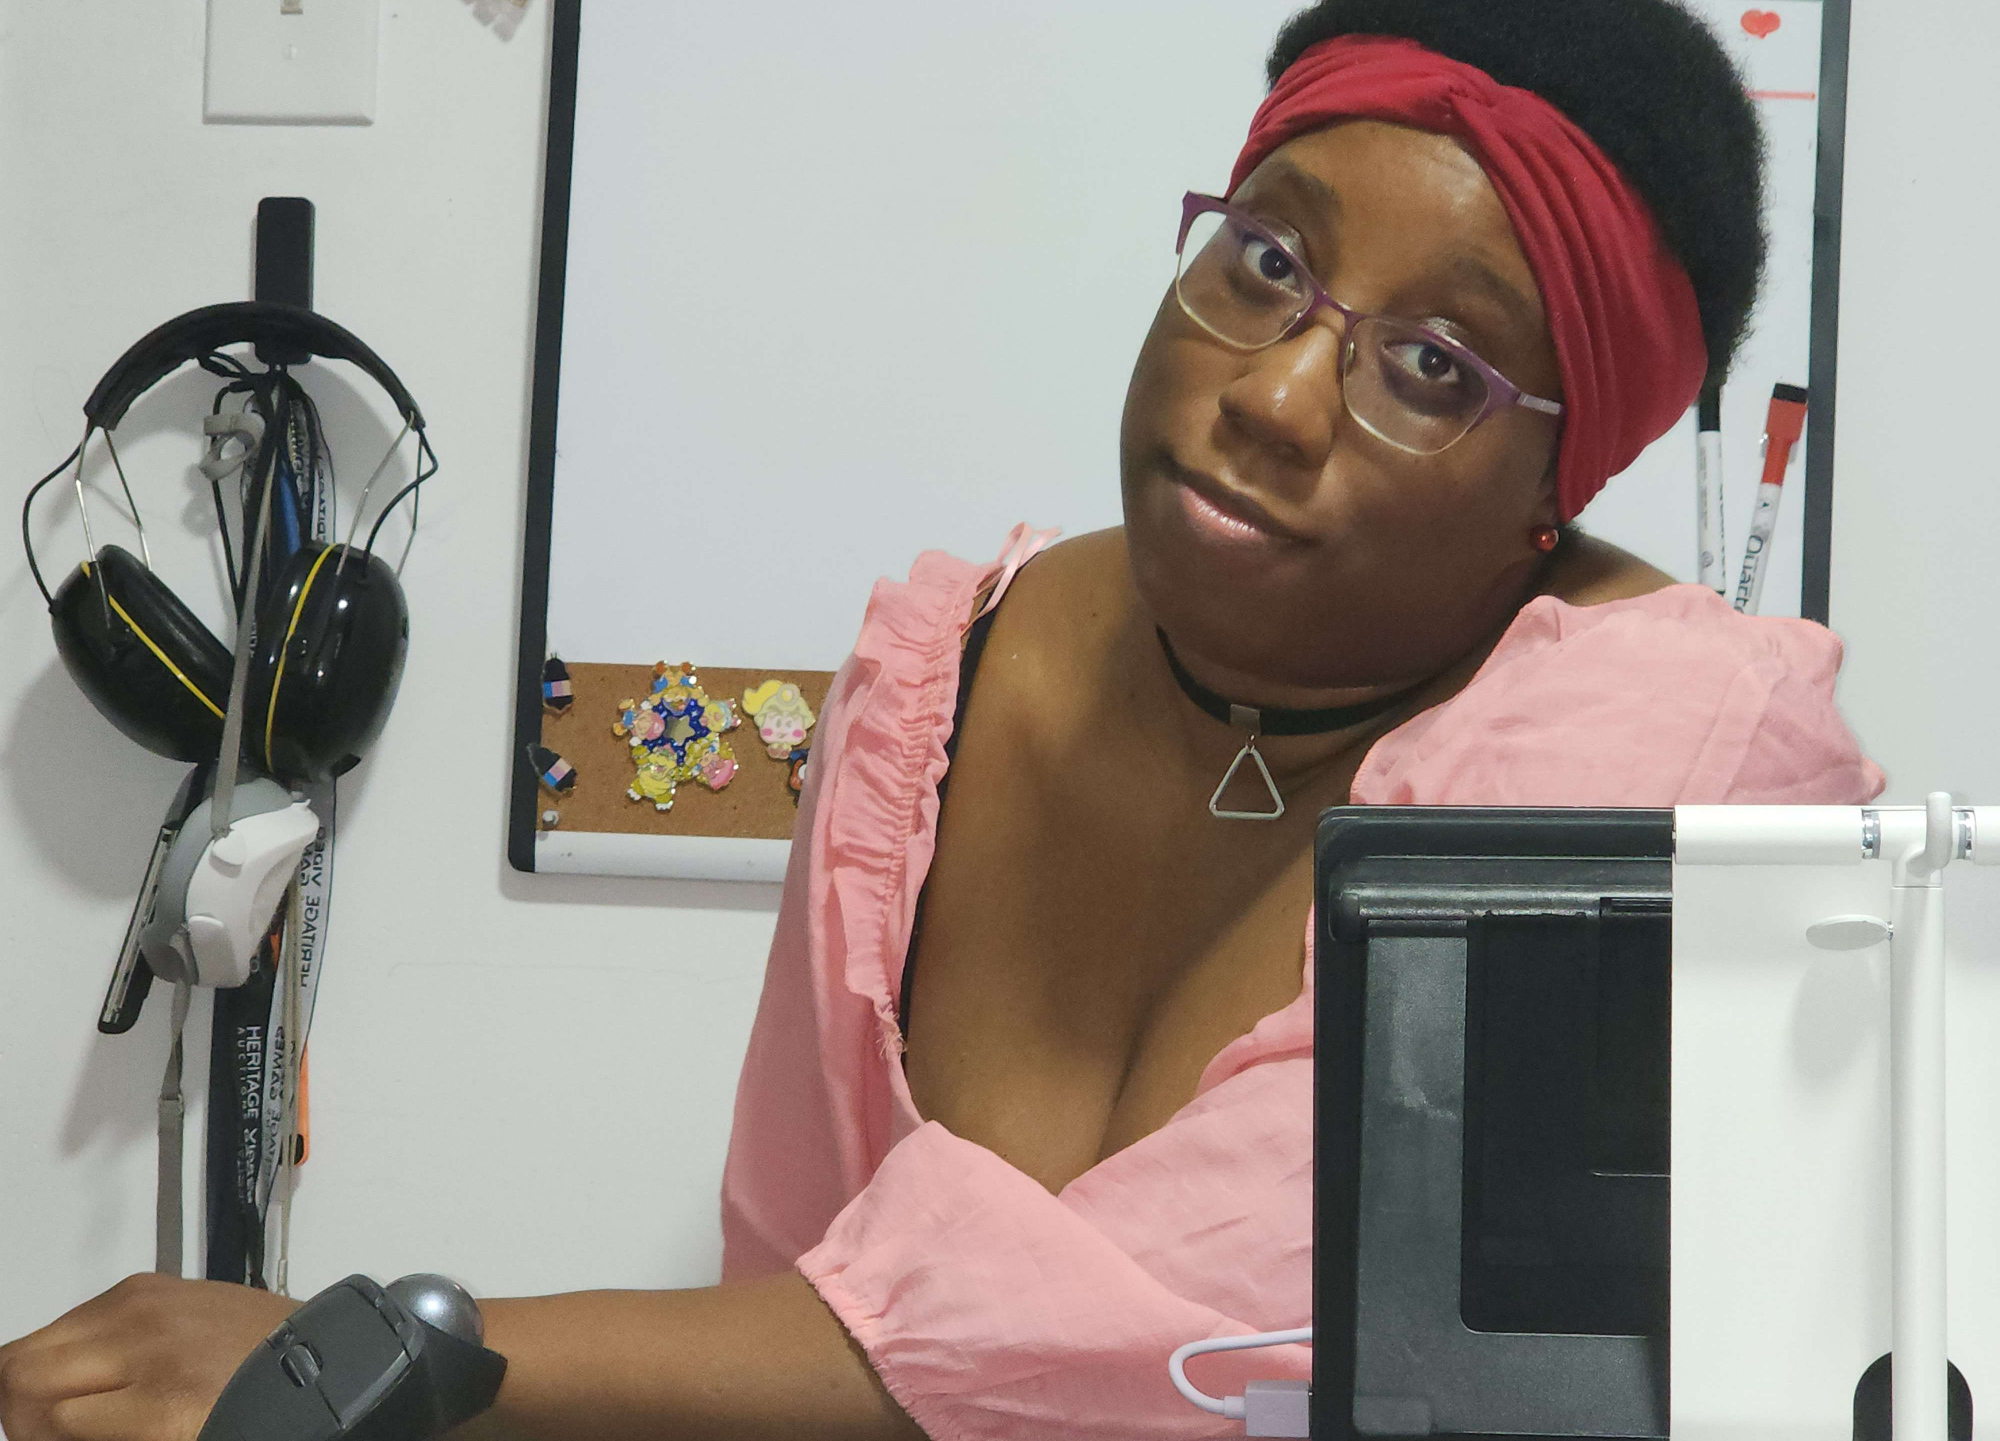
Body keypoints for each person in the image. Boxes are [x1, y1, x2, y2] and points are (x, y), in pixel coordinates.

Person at [0, 0, 1884, 1437]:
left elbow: (1191, 1338)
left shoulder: (1684, 756)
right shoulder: (945, 676)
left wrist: (382, 1361)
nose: (1276, 396)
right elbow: (789, 1294)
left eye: (1434, 364)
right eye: (1267, 260)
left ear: (1566, 479)